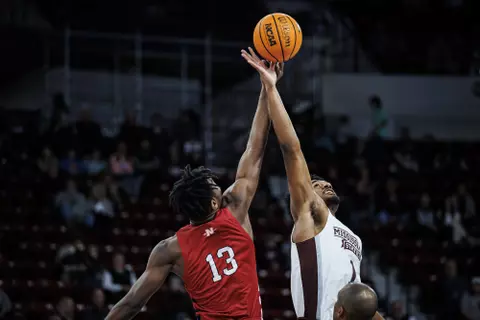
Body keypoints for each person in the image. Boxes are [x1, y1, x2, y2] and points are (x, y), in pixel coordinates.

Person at [106, 50, 283, 320]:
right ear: (214, 203)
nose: (219, 185)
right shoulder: (234, 209)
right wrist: (266, 88)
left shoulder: (169, 249)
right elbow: (255, 149)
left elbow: (131, 304)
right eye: (214, 185)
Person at [242, 48, 384, 320]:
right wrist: (271, 89)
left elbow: (361, 303)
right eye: (317, 184)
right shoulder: (312, 215)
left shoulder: (353, 238)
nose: (326, 184)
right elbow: (291, 149)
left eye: (326, 182)